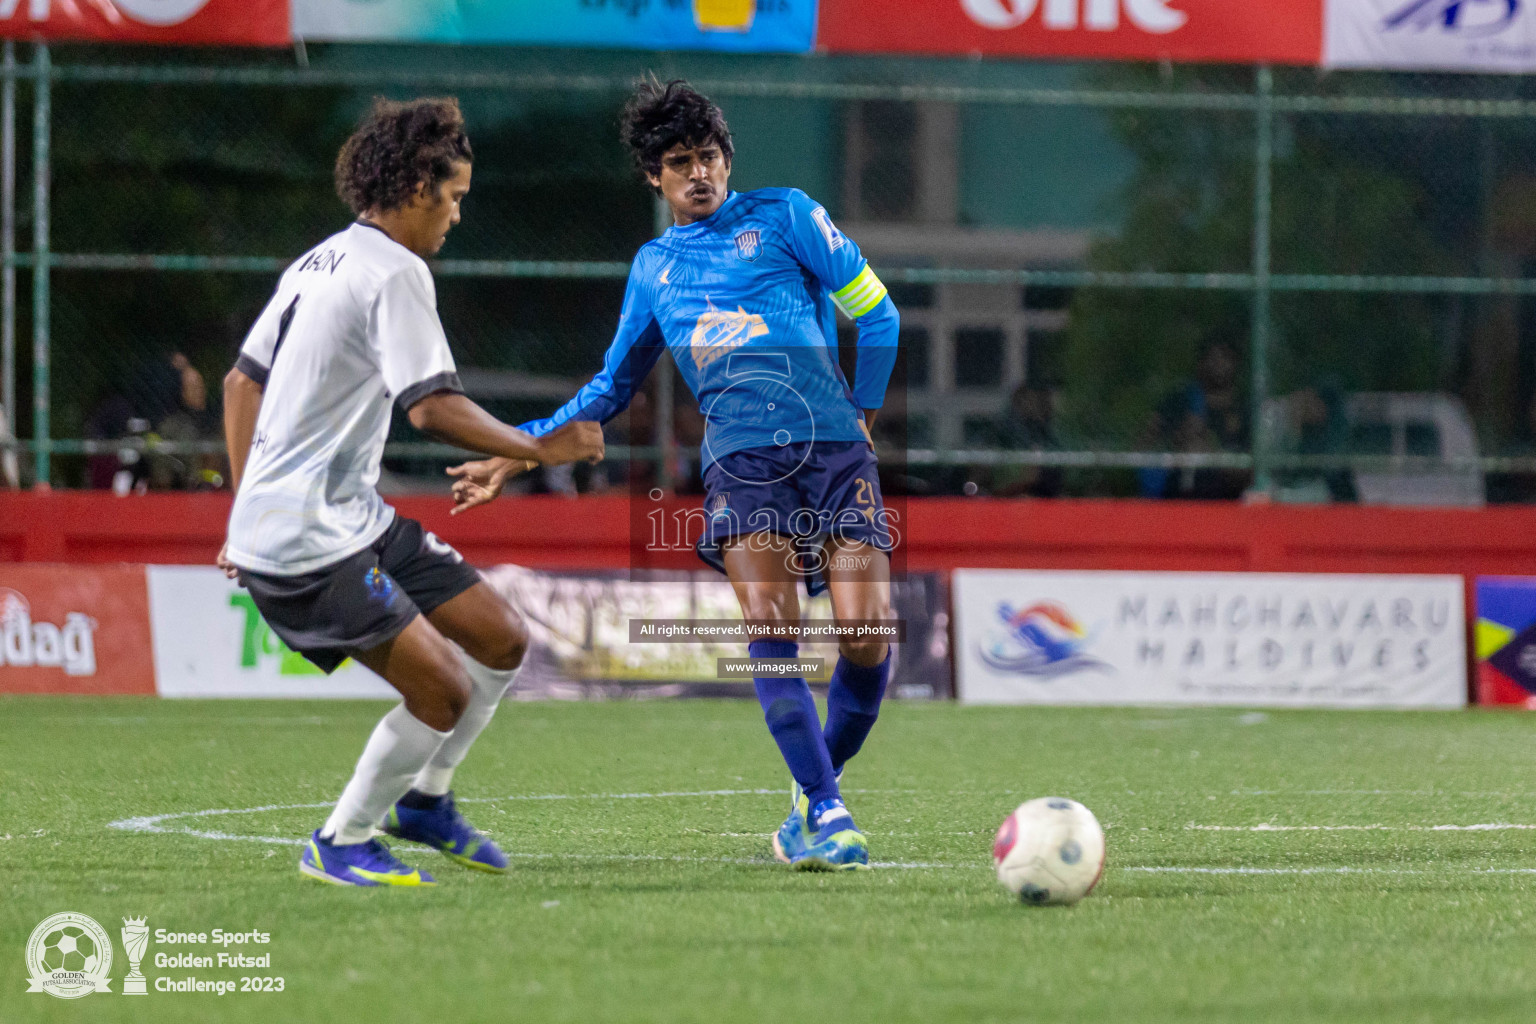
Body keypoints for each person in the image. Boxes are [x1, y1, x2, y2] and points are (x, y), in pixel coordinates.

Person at [450, 79, 901, 871]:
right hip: (743, 465)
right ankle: (827, 808)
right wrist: (515, 450)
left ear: (730, 159)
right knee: (776, 629)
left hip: (835, 456)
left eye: (711, 156)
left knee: (865, 638)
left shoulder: (788, 215)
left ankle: (810, 795)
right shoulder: (655, 270)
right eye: (681, 161)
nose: (701, 172)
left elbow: (881, 314)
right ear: (653, 177)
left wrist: (862, 415)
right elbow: (607, 389)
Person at [220, 97, 604, 887]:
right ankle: (342, 839)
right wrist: (537, 447)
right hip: (307, 539)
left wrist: (240, 502)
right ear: (419, 186)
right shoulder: (397, 271)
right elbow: (430, 406)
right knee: (444, 688)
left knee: (501, 638)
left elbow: (237, 384)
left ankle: (425, 801)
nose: (457, 216)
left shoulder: (319, 259)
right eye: (456, 197)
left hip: (345, 515)